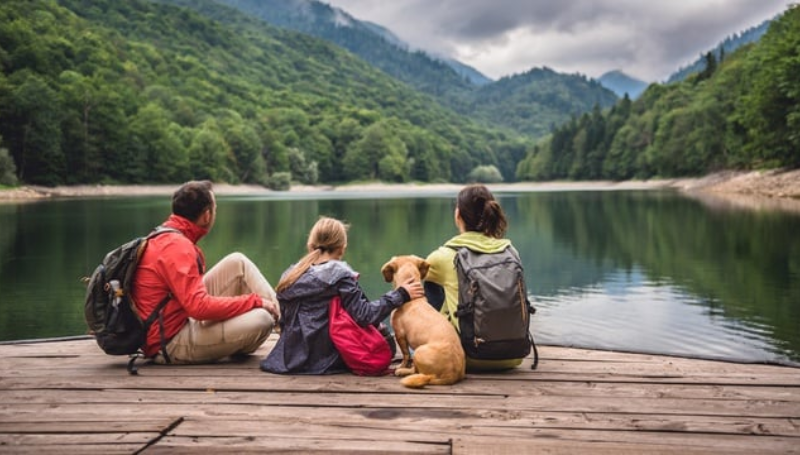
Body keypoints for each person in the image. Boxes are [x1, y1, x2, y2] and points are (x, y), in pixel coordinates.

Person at [131, 180, 280, 364]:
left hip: (177, 317)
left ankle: (288, 322)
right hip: (169, 343)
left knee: (237, 262)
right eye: (215, 208)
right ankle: (289, 327)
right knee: (262, 319)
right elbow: (199, 308)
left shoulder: (166, 235)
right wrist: (254, 301)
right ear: (207, 215)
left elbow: (192, 303)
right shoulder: (178, 247)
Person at [260, 216, 424, 375]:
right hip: (327, 359)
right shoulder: (340, 276)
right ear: (342, 248)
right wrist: (400, 294)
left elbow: (284, 322)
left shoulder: (290, 275)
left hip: (288, 357)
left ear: (310, 245)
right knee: (385, 339)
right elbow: (364, 315)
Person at [424, 184, 525, 371]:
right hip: (514, 355)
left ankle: (425, 349)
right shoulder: (511, 252)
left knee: (428, 286)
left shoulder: (443, 256)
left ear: (457, 215)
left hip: (465, 356)